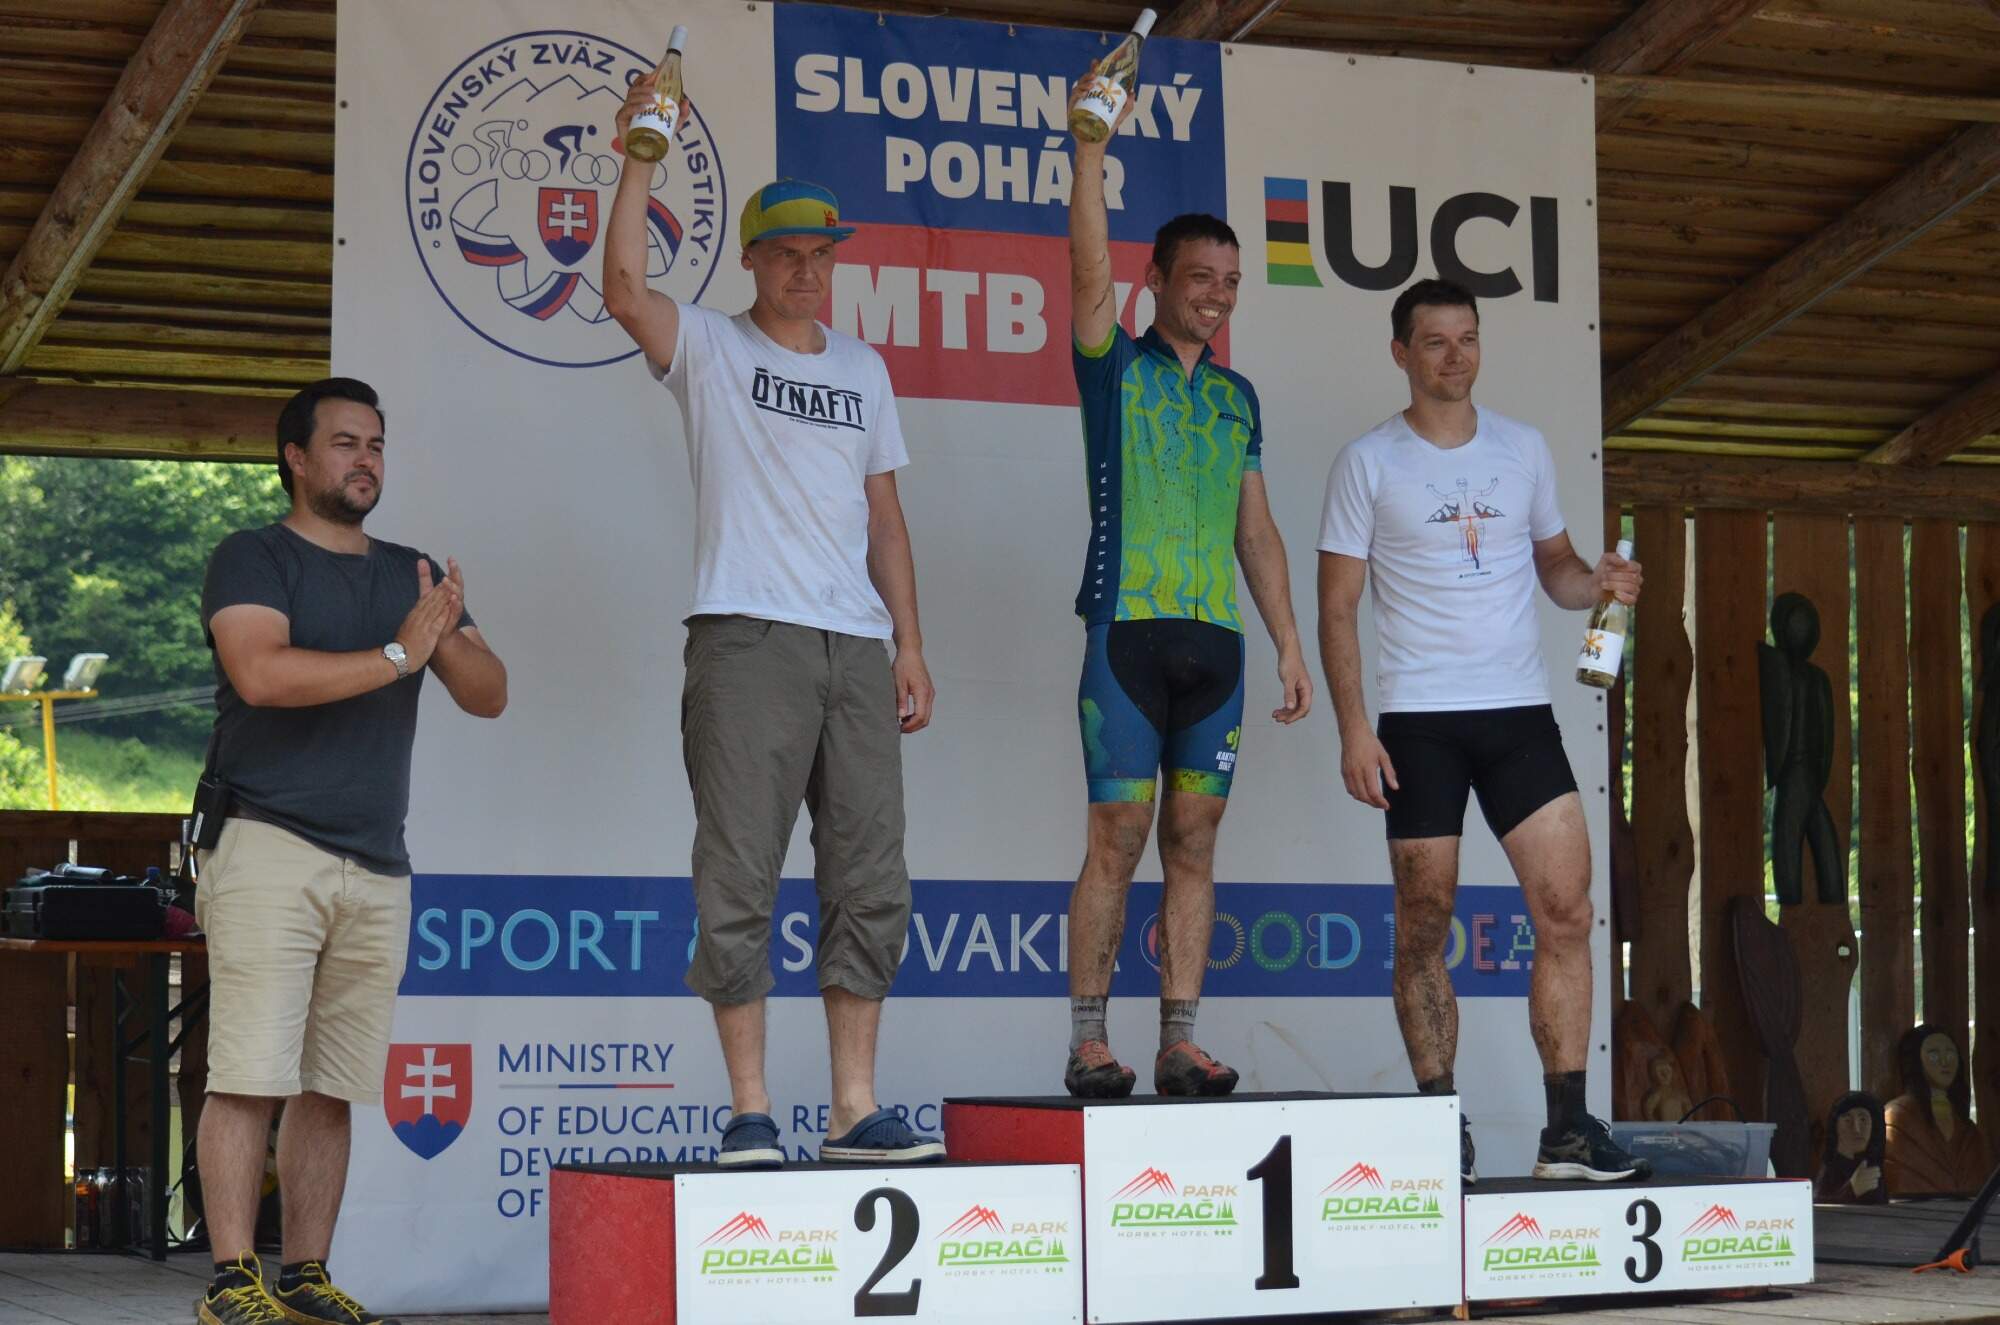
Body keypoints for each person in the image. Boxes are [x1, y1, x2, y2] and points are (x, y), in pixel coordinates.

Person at [602, 75, 941, 1166]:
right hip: (746, 633)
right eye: (787, 252)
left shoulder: (863, 367)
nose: (806, 269)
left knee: (869, 876)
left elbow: (885, 517)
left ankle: (852, 1108)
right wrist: (640, 158)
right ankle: (750, 1109)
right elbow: (622, 287)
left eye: (821, 253)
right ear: (750, 258)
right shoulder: (709, 344)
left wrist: (910, 643)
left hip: (857, 644)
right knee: (739, 874)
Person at [1317, 278, 1648, 1183]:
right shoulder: (1368, 461)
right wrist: (1353, 728)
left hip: (1518, 715)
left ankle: (1567, 1130)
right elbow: (1337, 607)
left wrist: (1599, 583)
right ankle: (1438, 1123)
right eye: (1435, 341)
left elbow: (1557, 568)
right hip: (1418, 722)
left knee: (1568, 910)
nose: (1454, 355)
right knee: (1425, 925)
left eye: (1467, 338)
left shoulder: (1523, 447)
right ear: (1401, 353)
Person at [195, 378, 508, 1325]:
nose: (365, 459)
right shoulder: (252, 555)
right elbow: (260, 673)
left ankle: (304, 1275)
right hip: (266, 841)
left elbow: (490, 694)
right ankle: (231, 1282)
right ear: (296, 457)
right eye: (344, 443)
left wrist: (440, 634)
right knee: (248, 1075)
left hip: (376, 862)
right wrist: (397, 656)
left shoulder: (412, 572)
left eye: (375, 444)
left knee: (332, 1084)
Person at [1061, 76, 1312, 1099]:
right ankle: (1088, 1039)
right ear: (1156, 279)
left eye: (1231, 281)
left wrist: (1288, 640)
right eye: (1199, 276)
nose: (1216, 293)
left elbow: (1256, 528)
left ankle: (1177, 1041)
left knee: (1194, 842)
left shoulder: (1237, 396)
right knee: (1117, 836)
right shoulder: (1112, 366)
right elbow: (1085, 267)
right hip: (1125, 634)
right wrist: (1090, 148)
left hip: (1217, 646)